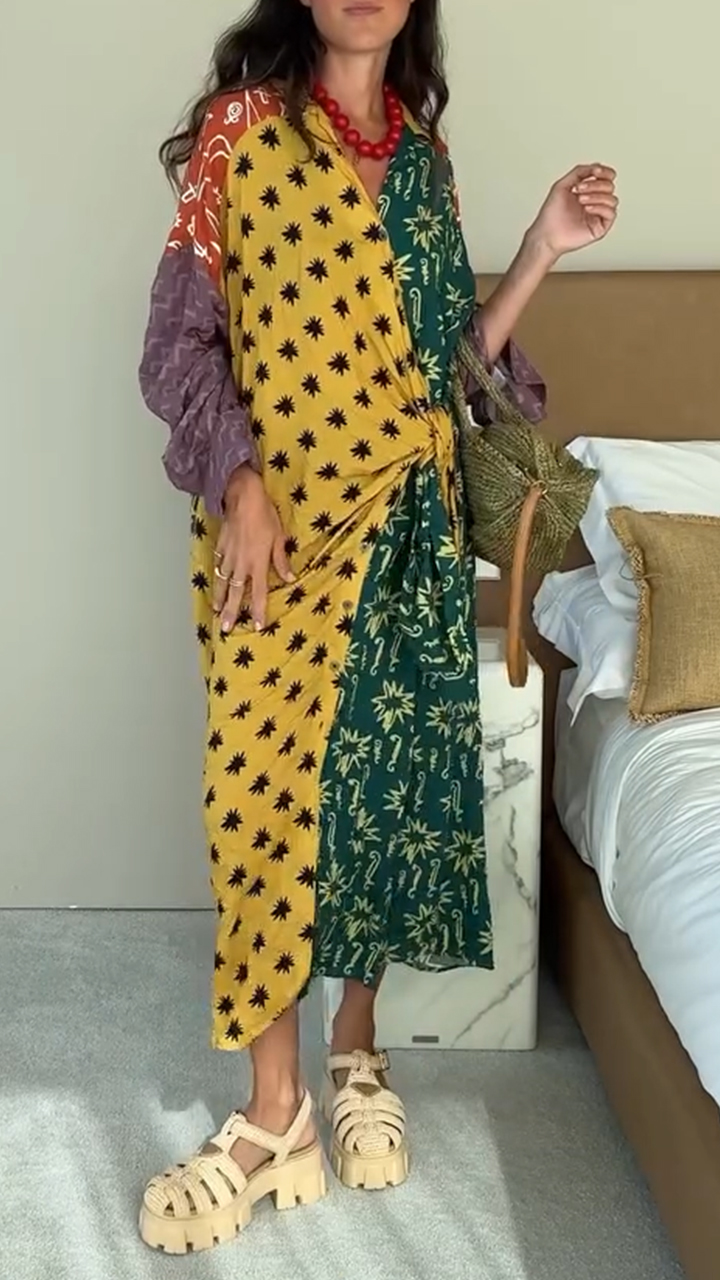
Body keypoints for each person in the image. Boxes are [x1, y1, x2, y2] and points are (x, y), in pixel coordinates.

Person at [138, 0, 618, 1256]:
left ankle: (356, 1050)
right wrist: (239, 481)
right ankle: (274, 1111)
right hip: (278, 538)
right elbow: (180, 346)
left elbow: (447, 370)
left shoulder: (422, 161)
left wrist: (539, 248)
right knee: (259, 798)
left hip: (408, 536)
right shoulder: (243, 134)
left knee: (382, 790)